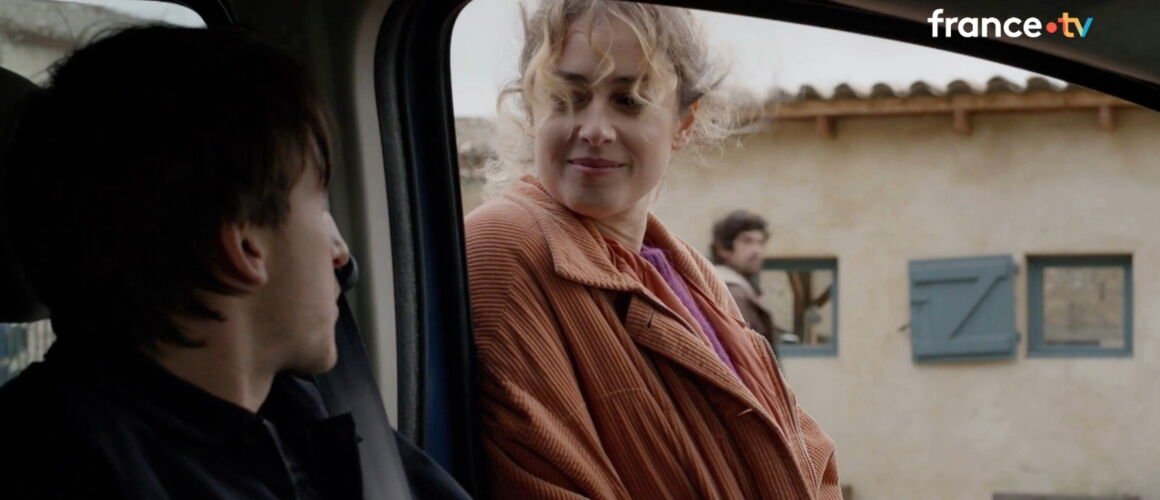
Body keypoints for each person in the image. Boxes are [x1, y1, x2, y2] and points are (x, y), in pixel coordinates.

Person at [0, 26, 466, 499]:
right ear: (245, 248)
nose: (341, 254)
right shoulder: (64, 469)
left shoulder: (299, 411)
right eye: (319, 205)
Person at [465, 1, 841, 498]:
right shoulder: (505, 246)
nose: (595, 129)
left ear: (684, 122)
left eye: (629, 100)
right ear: (533, 110)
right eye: (569, 97)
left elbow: (804, 455)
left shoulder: (692, 277)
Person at [710, 210, 780, 352]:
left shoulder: (738, 287)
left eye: (760, 242)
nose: (757, 250)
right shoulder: (732, 292)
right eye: (747, 241)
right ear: (723, 249)